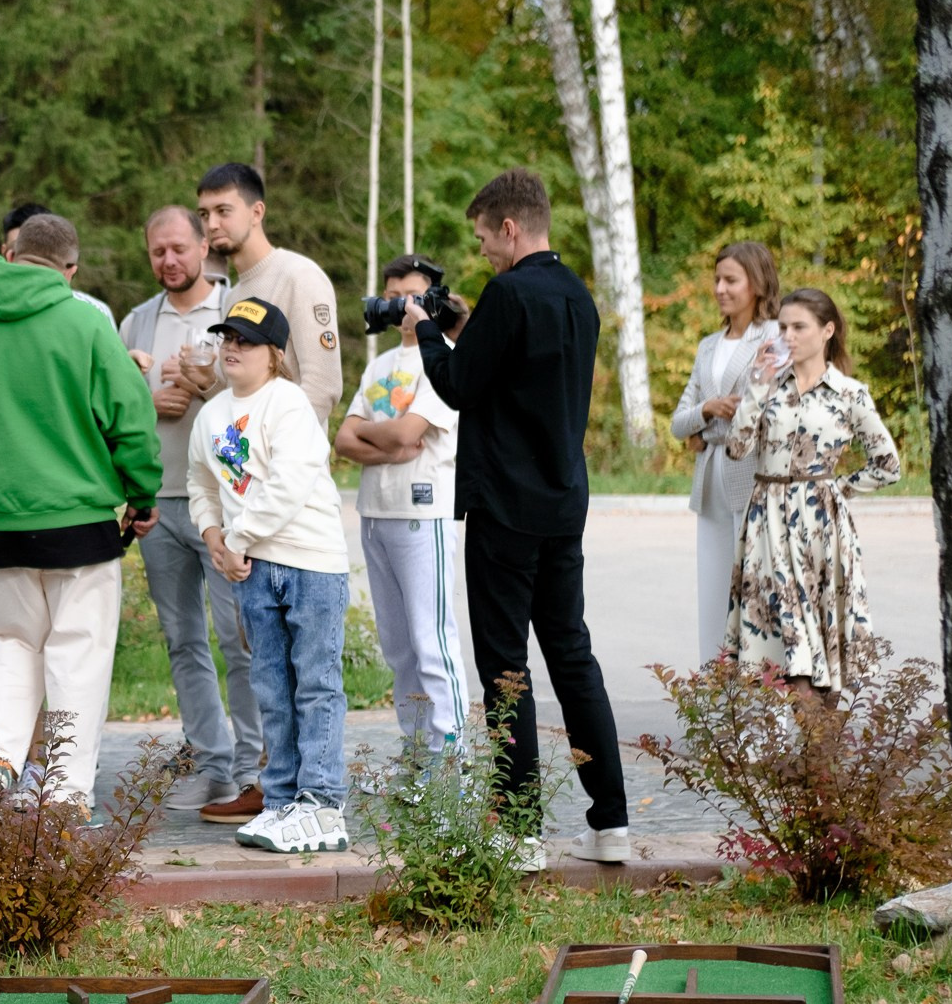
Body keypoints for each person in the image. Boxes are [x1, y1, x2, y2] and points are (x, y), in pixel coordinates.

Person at [404, 167, 629, 869]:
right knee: (571, 653)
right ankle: (611, 820)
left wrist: (425, 332)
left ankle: (521, 827)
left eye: (484, 239)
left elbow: (459, 385)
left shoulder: (507, 292)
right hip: (563, 500)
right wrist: (466, 331)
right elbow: (519, 373)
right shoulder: (577, 296)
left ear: (510, 227)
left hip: (504, 505)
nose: (483, 254)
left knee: (505, 665)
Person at [0, 214, 162, 814]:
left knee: (10, 641)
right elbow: (130, 416)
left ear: (14, 254)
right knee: (77, 651)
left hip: (2, 517)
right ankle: (63, 790)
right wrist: (142, 493)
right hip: (80, 516)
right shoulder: (84, 322)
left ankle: (0, 757)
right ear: (69, 268)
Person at [187, 297, 353, 854]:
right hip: (251, 568)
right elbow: (201, 486)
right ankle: (282, 801)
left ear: (275, 355)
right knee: (271, 689)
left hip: (308, 561)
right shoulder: (211, 414)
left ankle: (322, 803)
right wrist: (214, 538)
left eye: (246, 340)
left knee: (315, 681)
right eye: (226, 337)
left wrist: (234, 540)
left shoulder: (288, 403)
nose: (231, 347)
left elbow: (289, 484)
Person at [116, 204, 263, 819]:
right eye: (158, 252)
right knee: (183, 640)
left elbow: (259, 400)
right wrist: (153, 401)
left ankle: (257, 764)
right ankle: (212, 763)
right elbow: (117, 408)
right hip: (158, 502)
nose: (169, 261)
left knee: (240, 638)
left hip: (225, 506)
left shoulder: (235, 313)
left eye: (179, 247)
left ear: (204, 246)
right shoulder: (134, 323)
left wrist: (203, 390)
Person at [723, 287, 900, 691]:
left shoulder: (851, 393)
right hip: (767, 525)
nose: (788, 335)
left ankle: (821, 754)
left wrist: (838, 488)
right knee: (788, 653)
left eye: (799, 327)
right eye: (783, 326)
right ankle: (814, 752)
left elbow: (888, 465)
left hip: (821, 530)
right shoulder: (767, 387)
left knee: (826, 654)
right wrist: (756, 386)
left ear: (827, 331)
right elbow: (736, 449)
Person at [335, 253, 467, 754]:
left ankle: (452, 760)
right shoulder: (380, 365)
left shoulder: (445, 356)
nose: (398, 306)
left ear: (431, 299)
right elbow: (344, 441)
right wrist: (385, 441)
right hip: (375, 515)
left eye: (409, 294)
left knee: (431, 643)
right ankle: (418, 756)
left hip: (423, 516)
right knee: (398, 648)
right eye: (390, 295)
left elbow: (412, 431)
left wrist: (381, 437)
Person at [672, 241, 781, 663]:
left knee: (754, 593)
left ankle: (761, 714)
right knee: (714, 591)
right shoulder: (707, 346)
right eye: (717, 279)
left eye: (731, 280)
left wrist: (705, 427)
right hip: (710, 479)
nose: (720, 288)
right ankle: (717, 705)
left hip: (752, 475)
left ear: (756, 283)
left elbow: (765, 405)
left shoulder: (773, 337)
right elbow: (679, 420)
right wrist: (708, 410)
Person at [196, 163, 343, 426]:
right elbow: (239, 400)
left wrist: (269, 450)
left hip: (290, 463)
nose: (212, 224)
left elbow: (323, 386)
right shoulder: (233, 296)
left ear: (257, 212)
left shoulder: (299, 276)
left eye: (223, 211)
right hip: (246, 464)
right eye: (204, 214)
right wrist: (205, 380)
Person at [1, 202, 114, 323]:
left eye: (39, 247)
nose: (32, 263)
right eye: (20, 249)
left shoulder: (97, 314)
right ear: (7, 254)